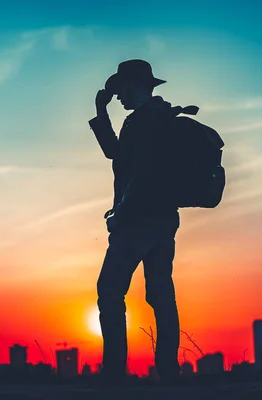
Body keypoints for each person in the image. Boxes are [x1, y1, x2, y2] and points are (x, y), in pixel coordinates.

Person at [88, 59, 197, 385]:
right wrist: (101, 111)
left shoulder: (142, 122)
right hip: (164, 219)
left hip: (138, 219)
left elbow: (135, 170)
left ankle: (114, 376)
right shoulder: (162, 117)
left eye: (122, 91)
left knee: (109, 291)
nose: (119, 97)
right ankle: (168, 373)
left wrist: (122, 213)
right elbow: (117, 155)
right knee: (161, 294)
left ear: (137, 86)